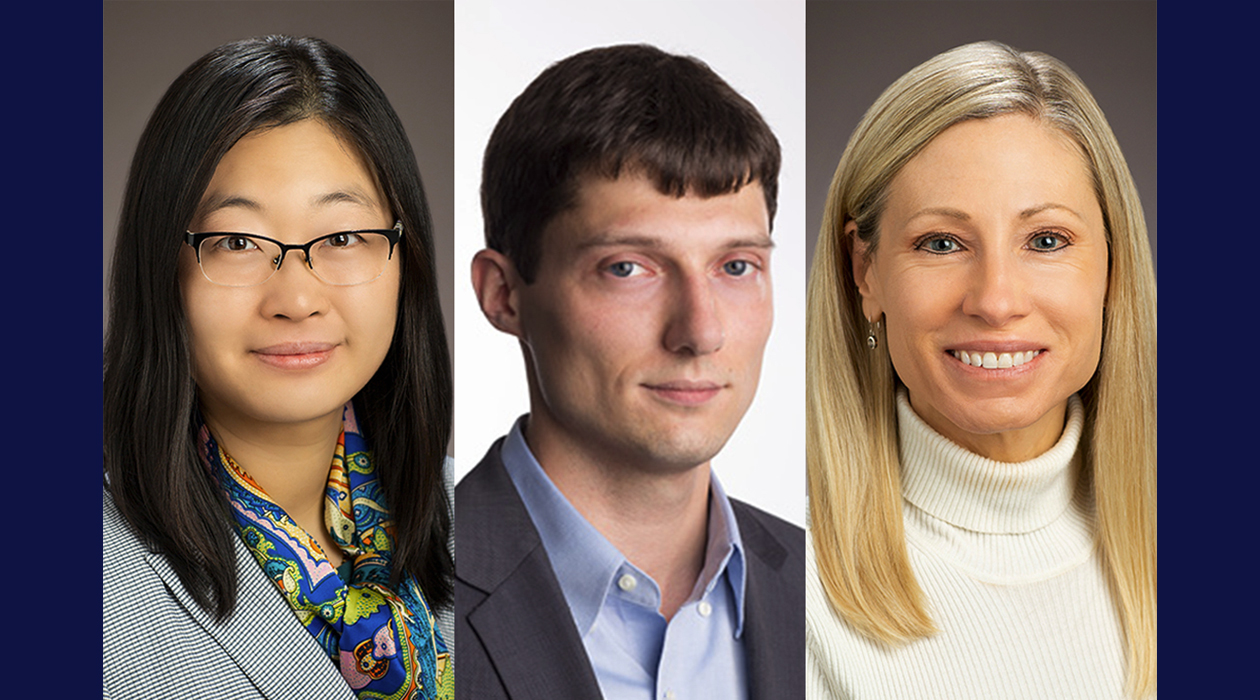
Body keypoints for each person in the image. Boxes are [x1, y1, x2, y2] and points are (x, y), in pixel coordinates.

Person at [103, 36, 454, 700]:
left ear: (406, 261)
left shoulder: (480, 521)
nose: (296, 299)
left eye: (344, 237)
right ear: (160, 267)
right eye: (237, 242)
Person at [805, 41, 1156, 699]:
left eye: (1046, 241)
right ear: (865, 272)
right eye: (942, 243)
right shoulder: (787, 599)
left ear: (1113, 266)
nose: (996, 300)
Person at [457, 44, 805, 699]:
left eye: (736, 266)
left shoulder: (829, 592)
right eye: (628, 268)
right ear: (504, 295)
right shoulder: (400, 598)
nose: (700, 331)